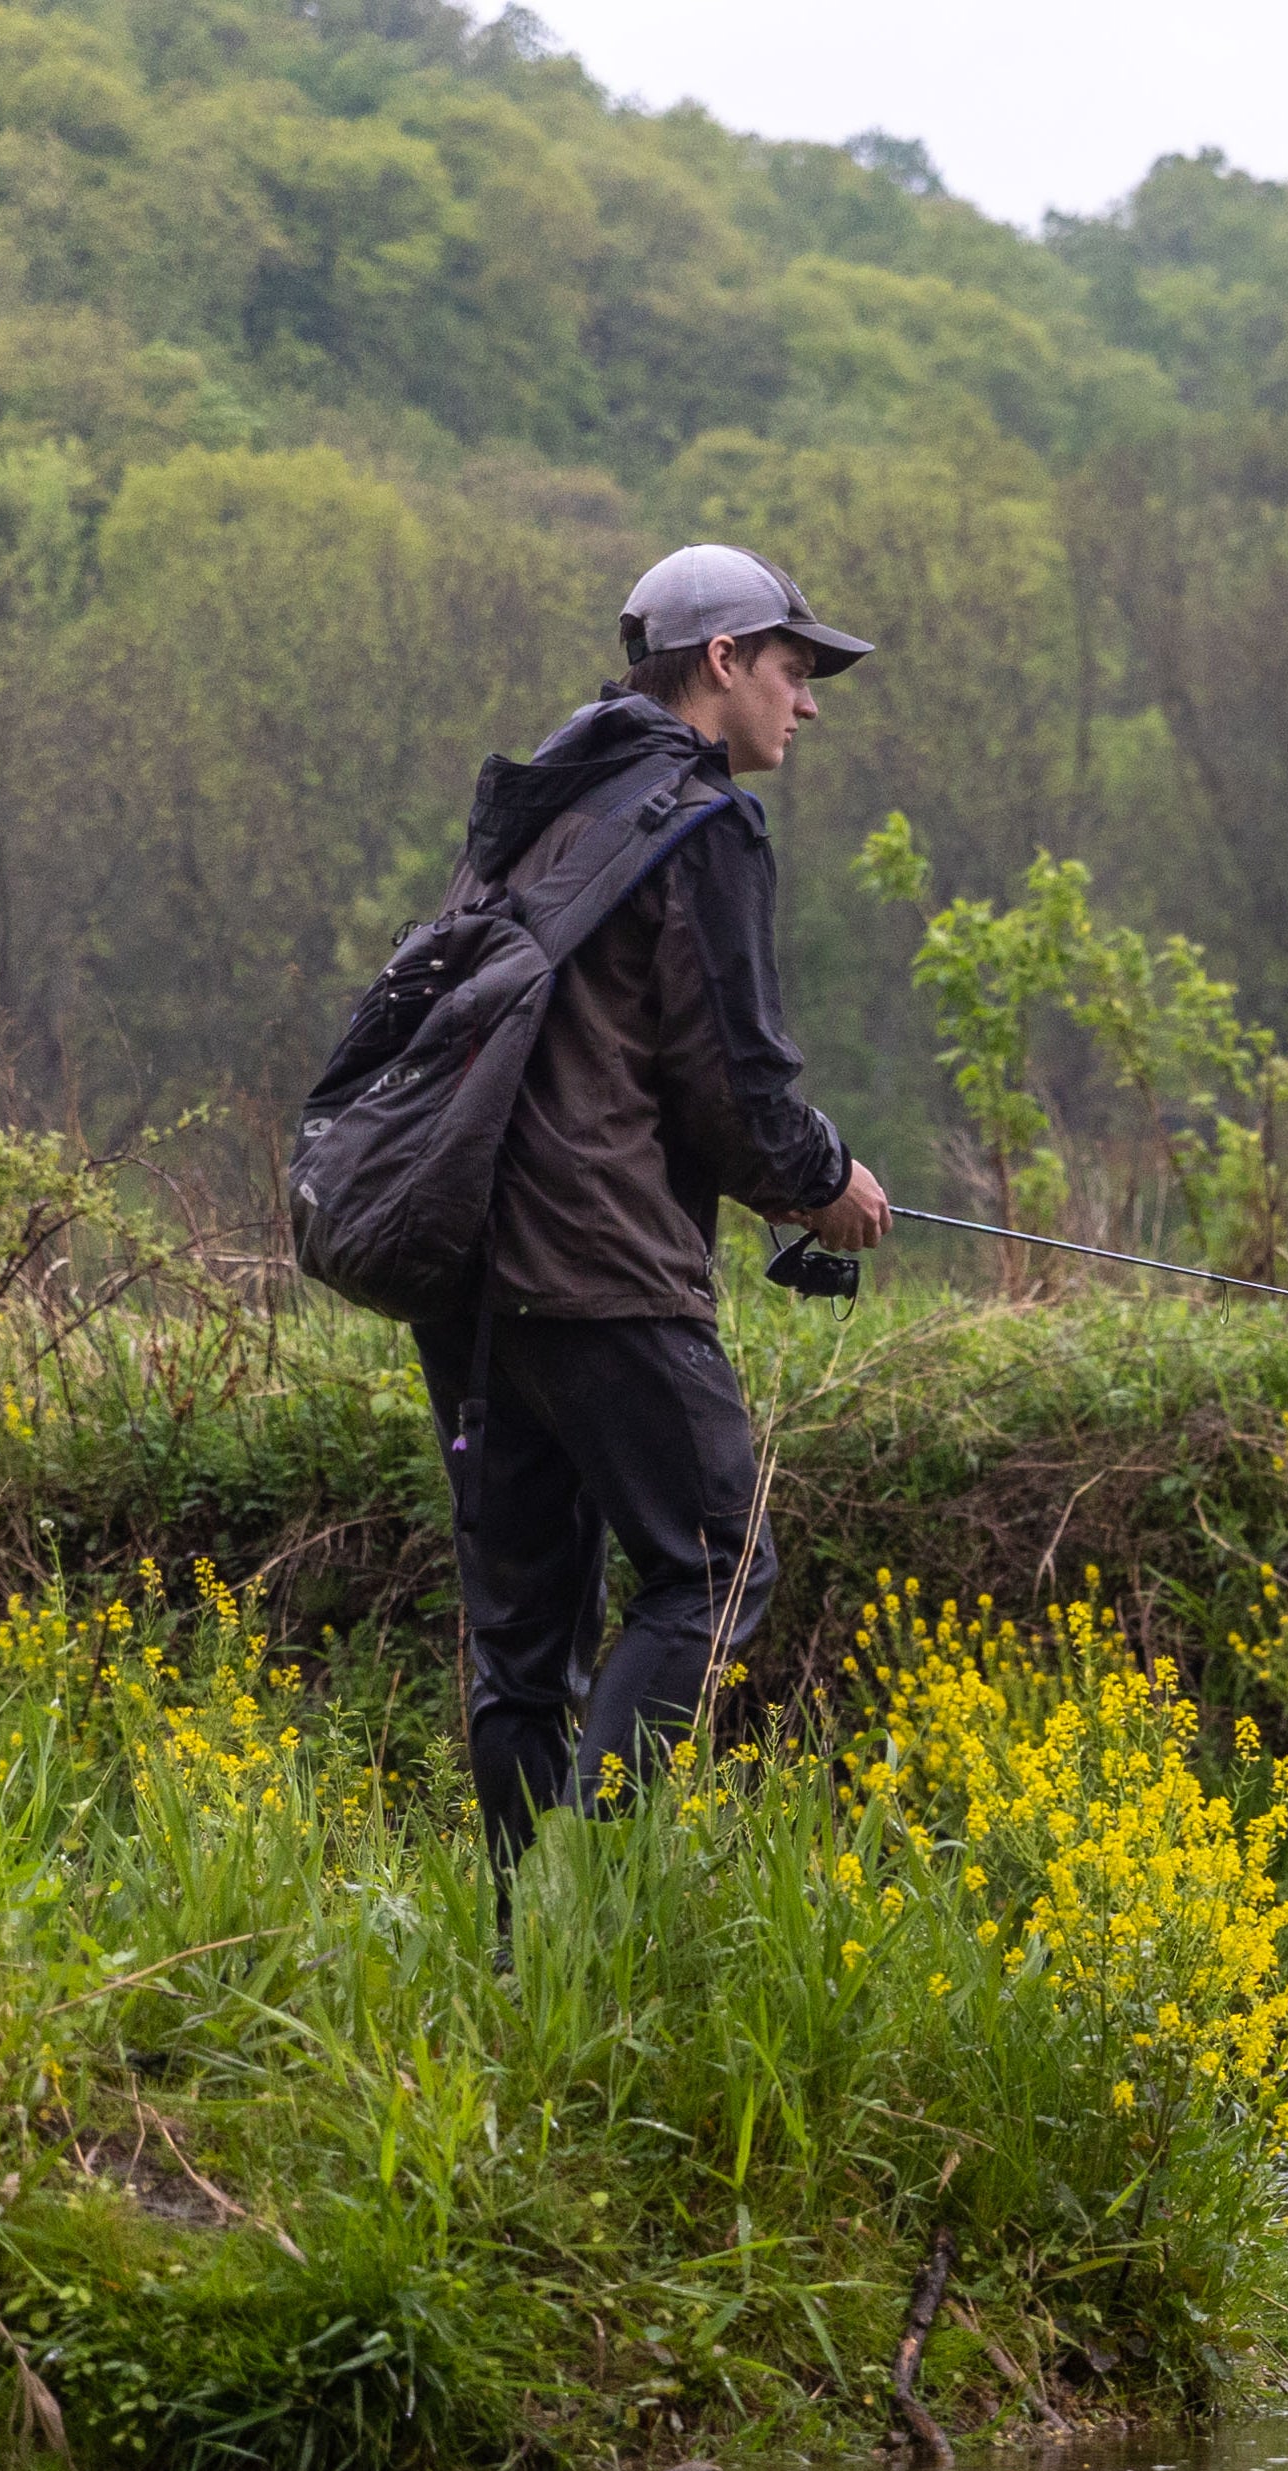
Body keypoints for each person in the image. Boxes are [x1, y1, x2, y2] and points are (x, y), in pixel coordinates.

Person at [411, 542, 894, 1902]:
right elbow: (737, 1085)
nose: (808, 705)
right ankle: (597, 1900)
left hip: (470, 1276)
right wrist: (826, 1183)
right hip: (605, 1270)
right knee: (716, 1568)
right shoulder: (700, 825)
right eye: (795, 671)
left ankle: (521, 1948)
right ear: (724, 662)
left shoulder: (539, 815)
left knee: (521, 1641)